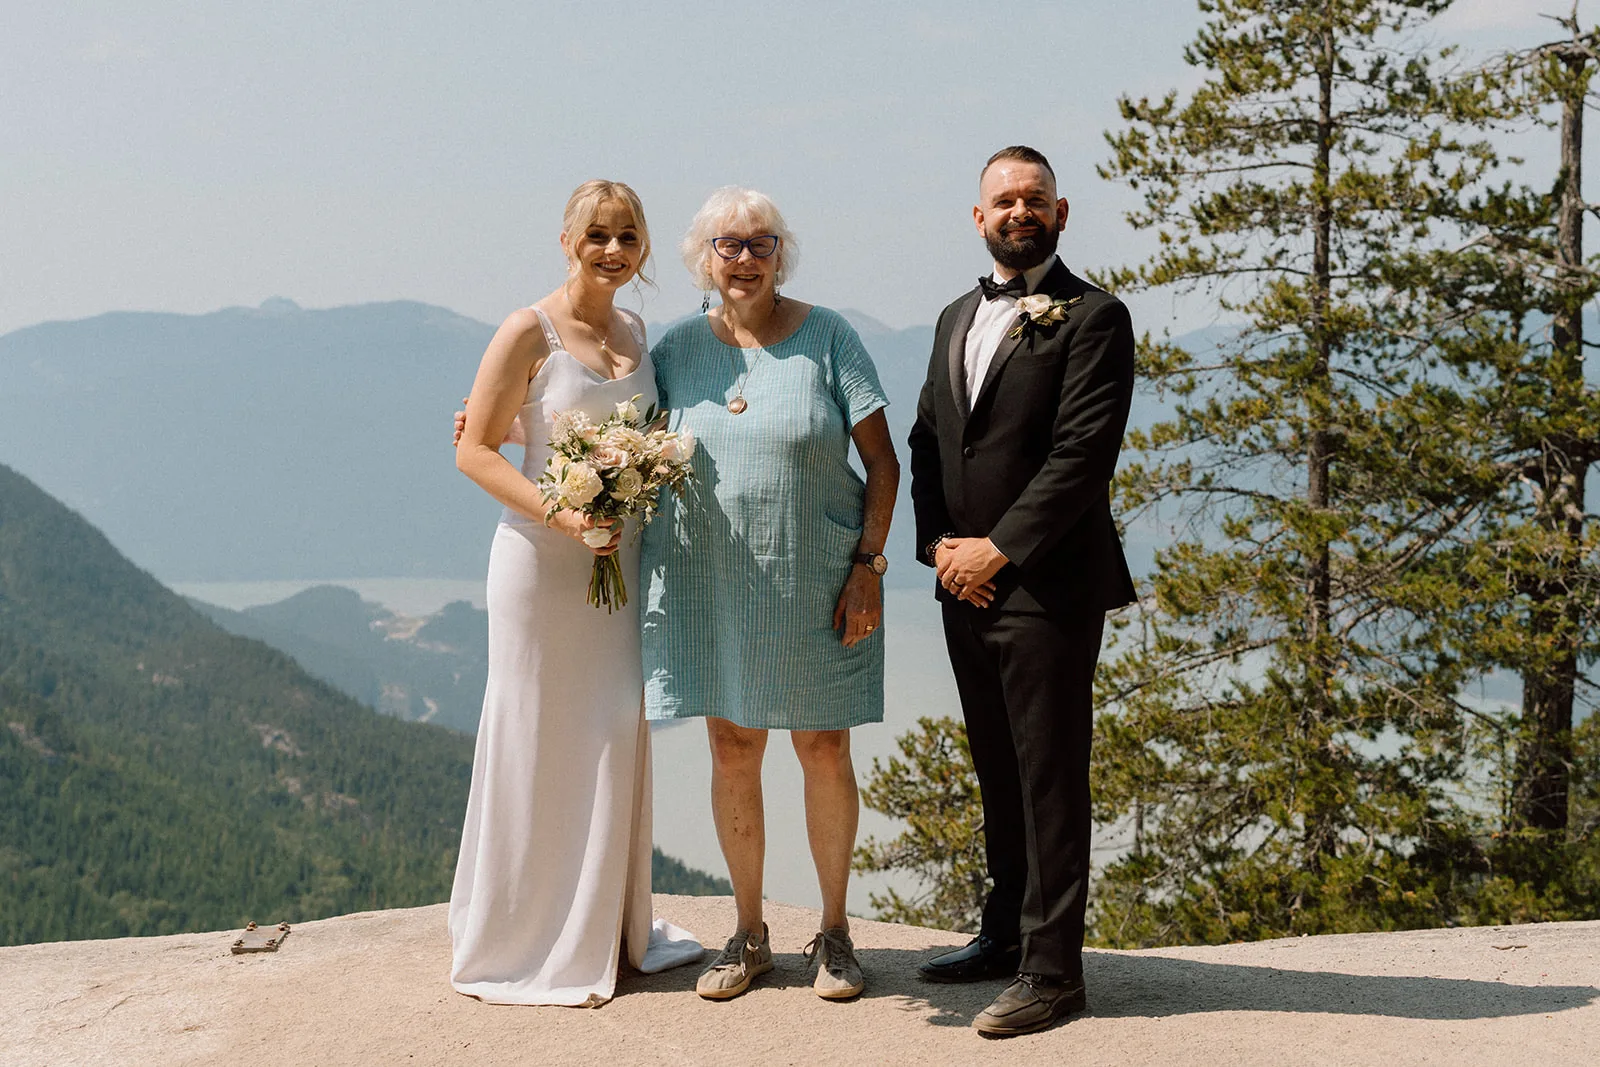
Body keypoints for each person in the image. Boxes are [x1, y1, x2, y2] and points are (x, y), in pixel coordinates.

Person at [641, 186, 899, 1001]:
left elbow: (885, 466)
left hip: (821, 579)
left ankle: (835, 933)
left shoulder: (829, 337)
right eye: (729, 245)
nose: (744, 258)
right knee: (732, 750)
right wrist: (513, 423)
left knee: (823, 749)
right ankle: (749, 934)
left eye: (760, 244)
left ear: (780, 254)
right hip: (714, 584)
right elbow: (621, 439)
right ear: (704, 258)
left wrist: (870, 564)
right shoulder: (677, 349)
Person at [449, 179, 702, 1007]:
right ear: (567, 239)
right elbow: (476, 451)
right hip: (539, 561)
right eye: (598, 234)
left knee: (609, 730)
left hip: (617, 566)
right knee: (534, 727)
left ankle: (604, 924)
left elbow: (598, 430)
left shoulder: (636, 331)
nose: (614, 250)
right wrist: (562, 512)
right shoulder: (528, 328)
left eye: (628, 236)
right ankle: (520, 932)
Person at [907, 146, 1136, 1036]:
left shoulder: (1095, 317)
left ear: (1062, 212)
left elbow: (1082, 457)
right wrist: (938, 548)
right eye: (1003, 199)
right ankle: (1004, 934)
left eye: (1034, 198)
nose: (1018, 210)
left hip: (1046, 585)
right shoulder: (954, 315)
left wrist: (997, 550)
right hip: (962, 584)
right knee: (997, 770)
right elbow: (932, 441)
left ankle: (1054, 972)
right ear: (978, 217)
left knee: (1048, 777)